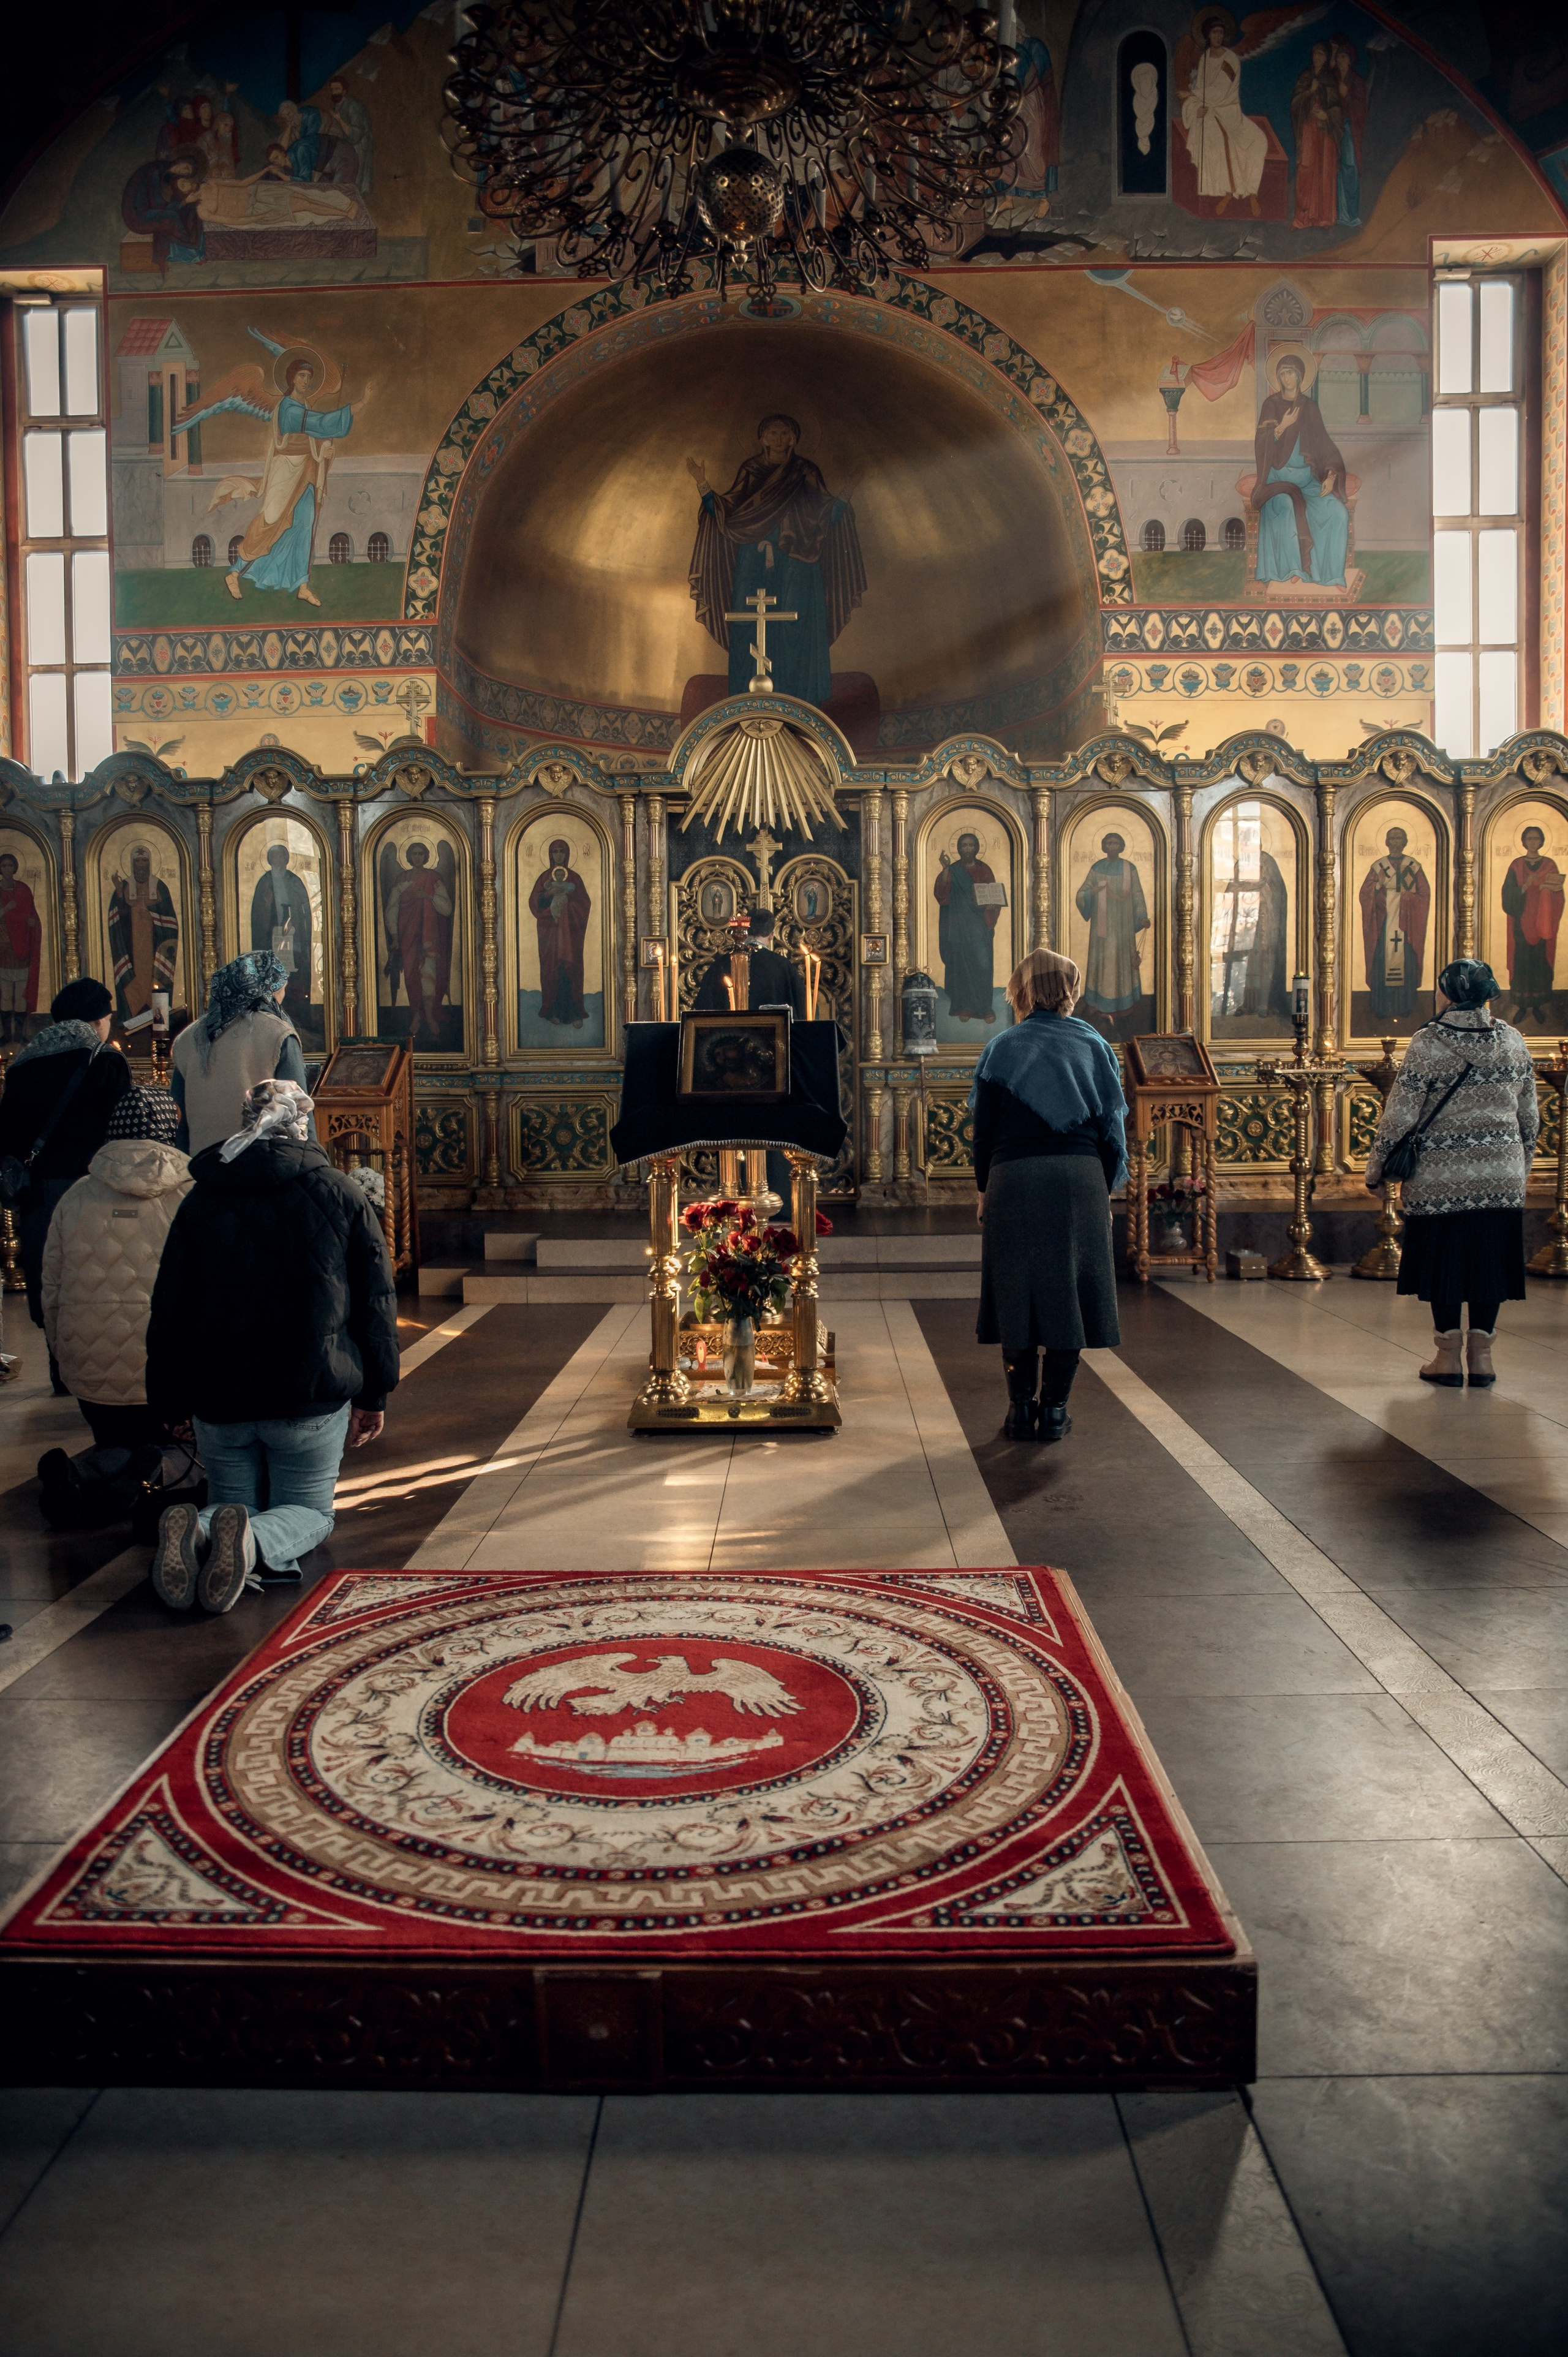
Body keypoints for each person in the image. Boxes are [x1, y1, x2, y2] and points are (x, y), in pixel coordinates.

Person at [145, 1080, 399, 1614]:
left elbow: (170, 1308)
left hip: (219, 1396)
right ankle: (253, 1544)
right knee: (308, 1511)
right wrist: (375, 1394)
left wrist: (169, 1401)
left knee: (229, 1502)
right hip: (309, 1392)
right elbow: (376, 1303)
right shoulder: (341, 1192)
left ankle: (203, 1531)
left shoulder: (203, 1199)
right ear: (301, 1124)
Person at [971, 949, 1128, 1444]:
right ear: (1071, 989)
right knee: (1072, 1294)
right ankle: (1055, 1411)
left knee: (1017, 1291)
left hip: (1013, 1179)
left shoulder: (1002, 1047)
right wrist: (1100, 1191)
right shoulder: (1094, 1045)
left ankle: (1019, 1410)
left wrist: (983, 1189)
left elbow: (984, 1133)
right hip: (1079, 1177)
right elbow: (1110, 1130)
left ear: (1019, 990)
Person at [1366, 959, 1538, 1389]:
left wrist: (1377, 1169)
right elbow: (1529, 1118)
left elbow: (1400, 1115)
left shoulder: (1428, 1043)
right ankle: (1482, 1360)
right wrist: (1519, 1167)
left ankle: (1447, 1359)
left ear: (1448, 993)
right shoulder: (1514, 1041)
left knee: (1446, 1264)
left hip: (1440, 1179)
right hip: (1502, 1178)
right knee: (1489, 1265)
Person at [37, 1085, 189, 1525]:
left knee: (114, 1443)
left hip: (91, 1369)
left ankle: (81, 1473)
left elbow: (52, 1288)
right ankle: (151, 1476)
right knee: (183, 1450)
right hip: (168, 1375)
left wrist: (65, 1352)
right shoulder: (190, 1193)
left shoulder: (76, 1196)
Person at [686, 415, 865, 706]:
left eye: (786, 432)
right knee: (747, 627)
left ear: (793, 438)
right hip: (752, 558)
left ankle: (801, 705)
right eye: (773, 432)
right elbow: (728, 517)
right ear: (763, 438)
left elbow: (826, 518)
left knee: (797, 625)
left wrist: (847, 492)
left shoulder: (806, 472)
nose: (779, 437)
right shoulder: (751, 471)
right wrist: (702, 483)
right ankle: (746, 704)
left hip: (798, 560)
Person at [0, 978, 131, 1343]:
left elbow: (7, 1136)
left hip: (38, 1193)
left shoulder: (22, 1065)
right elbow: (120, 1136)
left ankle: (59, 1365)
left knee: (50, 1276)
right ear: (98, 1021)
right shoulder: (104, 1059)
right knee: (95, 1277)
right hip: (94, 1190)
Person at [170, 950, 308, 1156]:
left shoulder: (188, 1038)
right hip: (263, 1168)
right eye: (282, 989)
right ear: (269, 989)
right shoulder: (279, 1033)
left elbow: (177, 1116)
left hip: (203, 1169)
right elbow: (301, 1112)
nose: (283, 995)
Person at [1252, 355, 1349, 589]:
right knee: (1285, 506)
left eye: (1291, 373)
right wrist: (1283, 426)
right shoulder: (1271, 405)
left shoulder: (1309, 408)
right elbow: (1260, 445)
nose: (1287, 378)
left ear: (1300, 377)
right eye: (1283, 373)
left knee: (1338, 512)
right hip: (1277, 481)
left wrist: (1332, 476)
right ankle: (1292, 570)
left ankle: (1331, 575)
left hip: (1308, 483)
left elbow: (1325, 445)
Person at [1076, 832, 1150, 1033]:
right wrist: (1092, 892)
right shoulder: (1097, 868)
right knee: (1105, 961)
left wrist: (1142, 916)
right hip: (1102, 926)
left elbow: (1137, 894)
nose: (1112, 846)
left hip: (1124, 925)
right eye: (1109, 843)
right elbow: (1082, 894)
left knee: (1121, 962)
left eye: (1116, 842)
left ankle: (1124, 1007)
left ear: (1121, 845)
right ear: (1104, 846)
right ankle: (1098, 1005)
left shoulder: (1129, 869)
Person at [1360, 825, 1431, 1025]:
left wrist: (1408, 899)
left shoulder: (1413, 866)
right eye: (1392, 838)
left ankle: (1405, 1006)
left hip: (1405, 926)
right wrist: (1378, 886)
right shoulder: (1379, 867)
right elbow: (1365, 895)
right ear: (1387, 842)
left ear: (1405, 842)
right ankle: (1382, 1007)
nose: (1396, 842)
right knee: (1383, 962)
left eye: (1399, 838)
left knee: (1405, 963)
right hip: (1384, 924)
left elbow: (1424, 895)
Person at [935, 832, 1004, 1024]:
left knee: (982, 965)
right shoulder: (954, 870)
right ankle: (963, 1006)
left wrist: (992, 906)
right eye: (963, 846)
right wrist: (946, 868)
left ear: (976, 848)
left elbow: (994, 895)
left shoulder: (984, 870)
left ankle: (984, 1008)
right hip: (958, 928)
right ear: (958, 848)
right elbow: (942, 894)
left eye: (970, 845)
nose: (967, 849)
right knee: (961, 966)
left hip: (979, 927)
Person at [1501, 825, 1564, 1025]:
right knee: (1522, 962)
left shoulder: (1549, 865)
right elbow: (1508, 897)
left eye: (1537, 838)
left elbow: (1558, 894)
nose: (1533, 842)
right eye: (1530, 838)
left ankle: (1537, 1006)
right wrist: (1527, 884)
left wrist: (1548, 891)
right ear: (1524, 841)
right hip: (1521, 923)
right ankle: (1521, 1005)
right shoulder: (1517, 866)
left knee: (1539, 963)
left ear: (1542, 841)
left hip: (1542, 925)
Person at [693, 906, 807, 1018]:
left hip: (728, 1034)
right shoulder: (783, 966)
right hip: (772, 1035)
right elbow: (802, 1007)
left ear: (745, 930)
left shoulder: (721, 964)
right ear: (772, 935)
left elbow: (703, 1007)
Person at [529, 837, 592, 1027]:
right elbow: (534, 902)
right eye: (555, 851)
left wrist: (566, 910)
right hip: (550, 934)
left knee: (570, 970)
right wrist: (548, 897)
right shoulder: (544, 879)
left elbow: (584, 904)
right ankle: (552, 1011)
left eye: (562, 851)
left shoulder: (574, 879)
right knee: (552, 970)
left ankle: (574, 1014)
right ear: (550, 854)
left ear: (567, 854)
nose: (558, 855)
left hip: (570, 935)